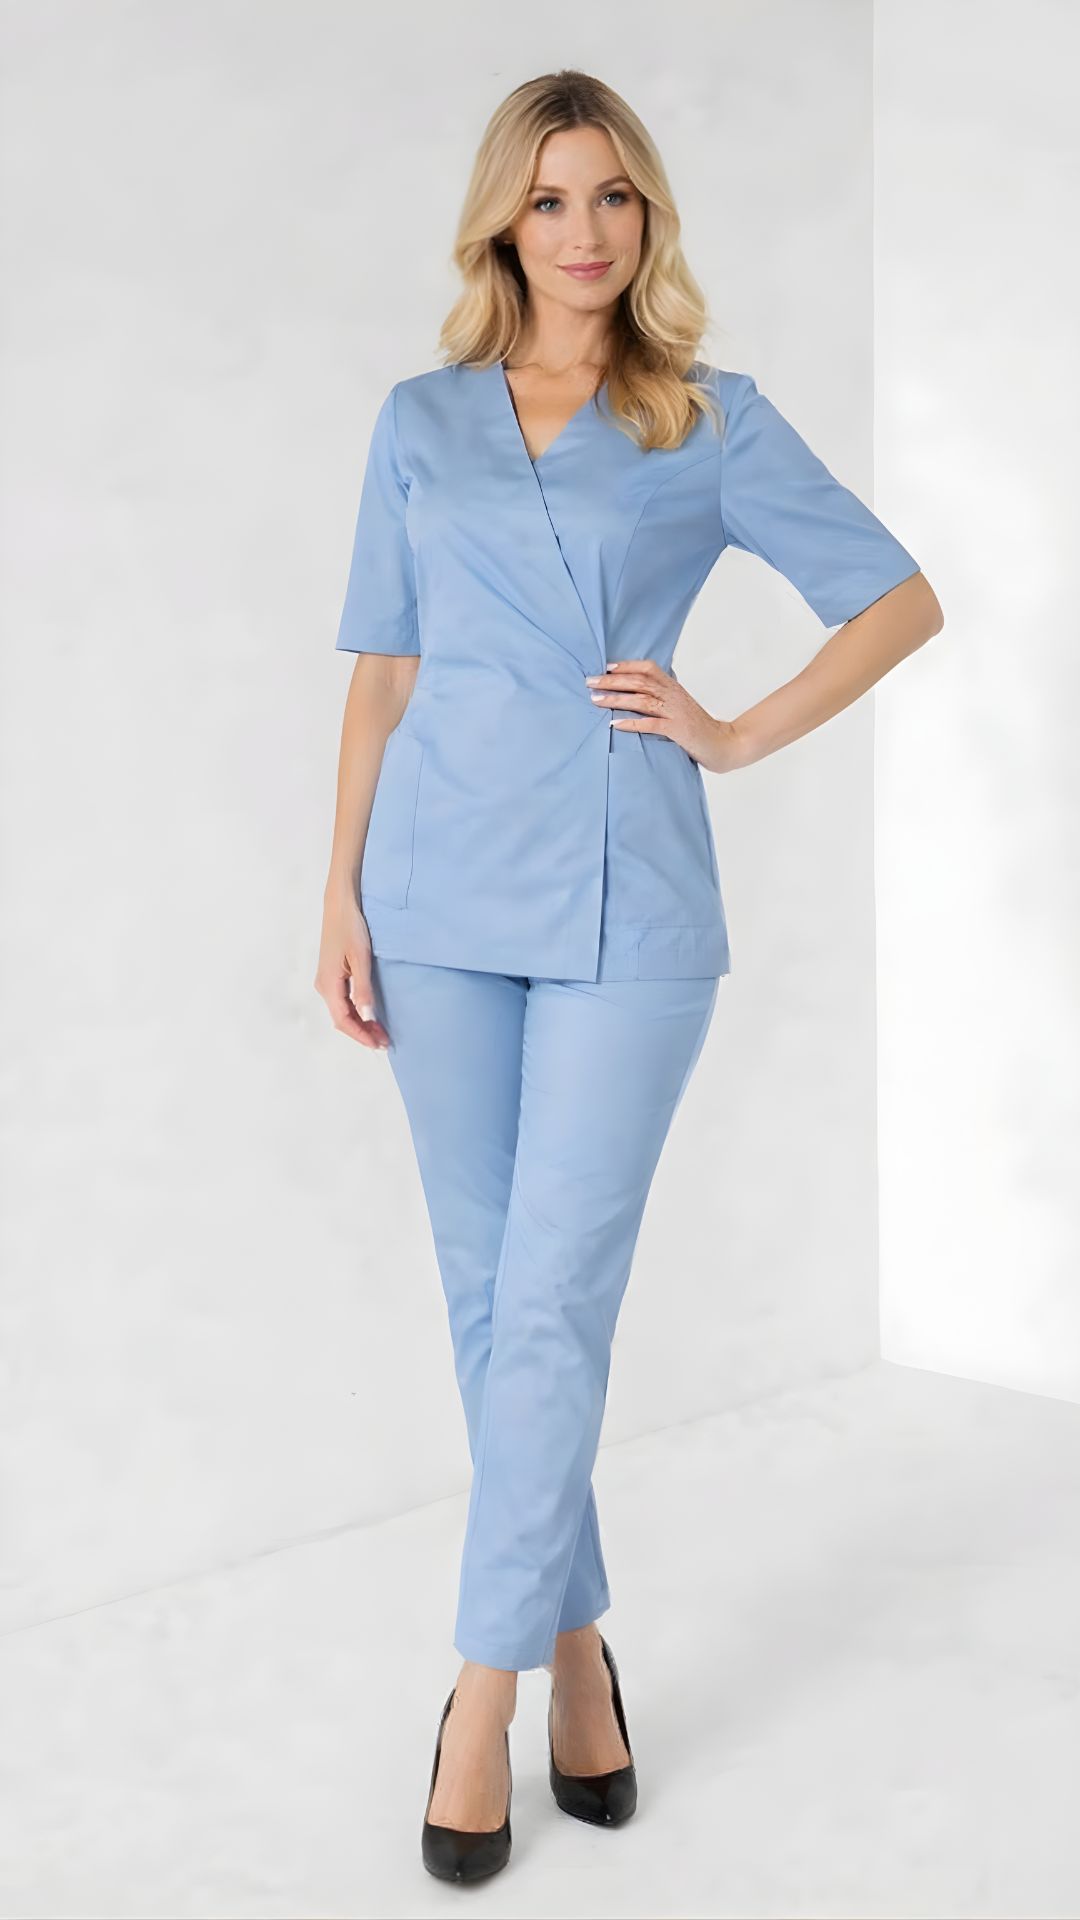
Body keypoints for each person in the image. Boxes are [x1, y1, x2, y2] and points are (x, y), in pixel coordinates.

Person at [314, 69, 943, 1886]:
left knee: (555, 1300)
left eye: (612, 197)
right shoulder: (420, 420)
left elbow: (896, 597)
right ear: (501, 224)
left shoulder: (706, 419)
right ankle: (581, 1651)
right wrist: (338, 889)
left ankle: (481, 1694)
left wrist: (731, 732)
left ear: (647, 217)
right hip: (434, 899)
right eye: (548, 199)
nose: (583, 231)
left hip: (627, 909)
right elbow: (382, 668)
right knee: (491, 1302)